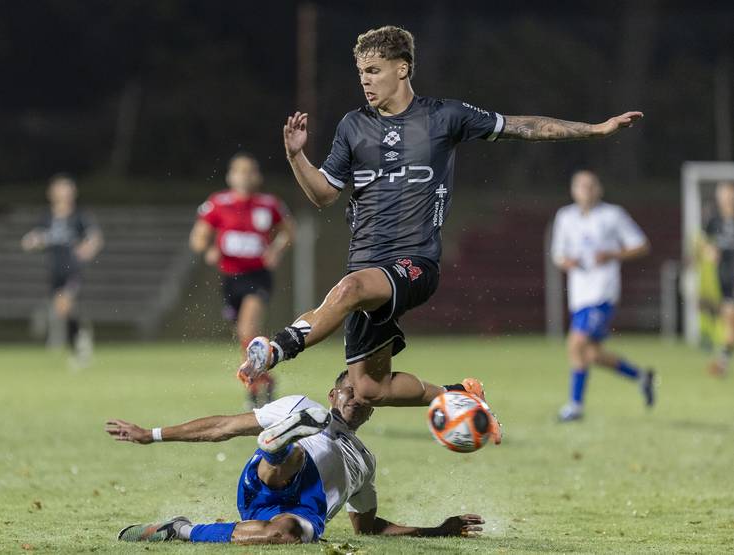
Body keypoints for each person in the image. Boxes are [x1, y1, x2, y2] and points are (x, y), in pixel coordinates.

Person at [238, 25, 644, 411]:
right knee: (367, 388)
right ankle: (460, 396)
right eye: (361, 72)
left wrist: (594, 129)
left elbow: (525, 127)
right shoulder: (353, 126)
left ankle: (277, 347)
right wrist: (296, 157)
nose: (365, 80)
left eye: (374, 71)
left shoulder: (444, 116)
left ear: (402, 68)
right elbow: (323, 194)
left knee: (347, 291)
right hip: (366, 265)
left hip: (414, 263)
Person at [105, 372, 488, 545]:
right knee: (296, 456)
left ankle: (181, 530)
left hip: (303, 511)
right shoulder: (300, 404)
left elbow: (368, 529)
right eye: (347, 391)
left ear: (373, 409)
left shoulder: (366, 462)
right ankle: (281, 443)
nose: (354, 399)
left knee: (284, 535)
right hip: (271, 476)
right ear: (332, 393)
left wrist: (438, 529)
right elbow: (224, 426)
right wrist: (151, 435)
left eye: (363, 398)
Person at [189, 152, 296, 407]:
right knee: (244, 335)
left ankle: (253, 385)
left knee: (248, 328)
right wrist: (209, 249)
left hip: (258, 277)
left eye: (250, 171)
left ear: (257, 177)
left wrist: (276, 250)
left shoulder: (269, 204)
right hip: (230, 279)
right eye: (239, 171)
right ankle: (264, 381)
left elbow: (289, 232)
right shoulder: (217, 203)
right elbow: (198, 238)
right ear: (230, 176)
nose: (244, 176)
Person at [550, 170, 655, 422]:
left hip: (603, 293)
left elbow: (641, 245)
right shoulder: (564, 217)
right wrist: (567, 261)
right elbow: (557, 254)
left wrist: (612, 254)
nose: (586, 190)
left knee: (575, 343)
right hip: (579, 295)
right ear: (573, 190)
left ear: (599, 189)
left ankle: (575, 406)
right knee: (592, 354)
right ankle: (641, 377)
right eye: (581, 186)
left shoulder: (613, 215)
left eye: (591, 185)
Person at [21, 174, 103, 365]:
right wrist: (31, 241)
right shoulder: (47, 217)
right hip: (55, 271)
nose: (63, 193)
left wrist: (87, 250)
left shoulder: (79, 216)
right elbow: (36, 237)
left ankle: (79, 346)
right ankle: (81, 340)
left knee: (64, 305)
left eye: (67, 189)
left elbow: (95, 238)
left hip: (72, 270)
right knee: (63, 311)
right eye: (60, 189)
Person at [702, 181, 734, 377]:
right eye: (723, 195)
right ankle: (722, 361)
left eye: (730, 195)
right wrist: (709, 251)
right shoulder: (713, 220)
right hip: (725, 278)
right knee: (730, 322)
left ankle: (722, 362)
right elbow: (704, 243)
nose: (727, 199)